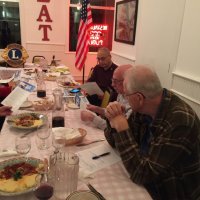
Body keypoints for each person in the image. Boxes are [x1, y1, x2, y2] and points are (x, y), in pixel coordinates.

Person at [104, 65, 200, 200]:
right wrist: (113, 118)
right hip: (148, 175)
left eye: (125, 94)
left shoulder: (180, 121)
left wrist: (122, 128)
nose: (124, 97)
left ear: (139, 98)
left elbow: (142, 174)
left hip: (173, 190)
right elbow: (113, 142)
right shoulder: (144, 109)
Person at [81, 64, 132, 130]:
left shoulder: (133, 103)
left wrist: (92, 118)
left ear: (127, 82)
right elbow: (113, 113)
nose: (112, 84)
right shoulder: (121, 94)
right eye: (112, 80)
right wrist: (96, 109)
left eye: (116, 81)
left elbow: (116, 130)